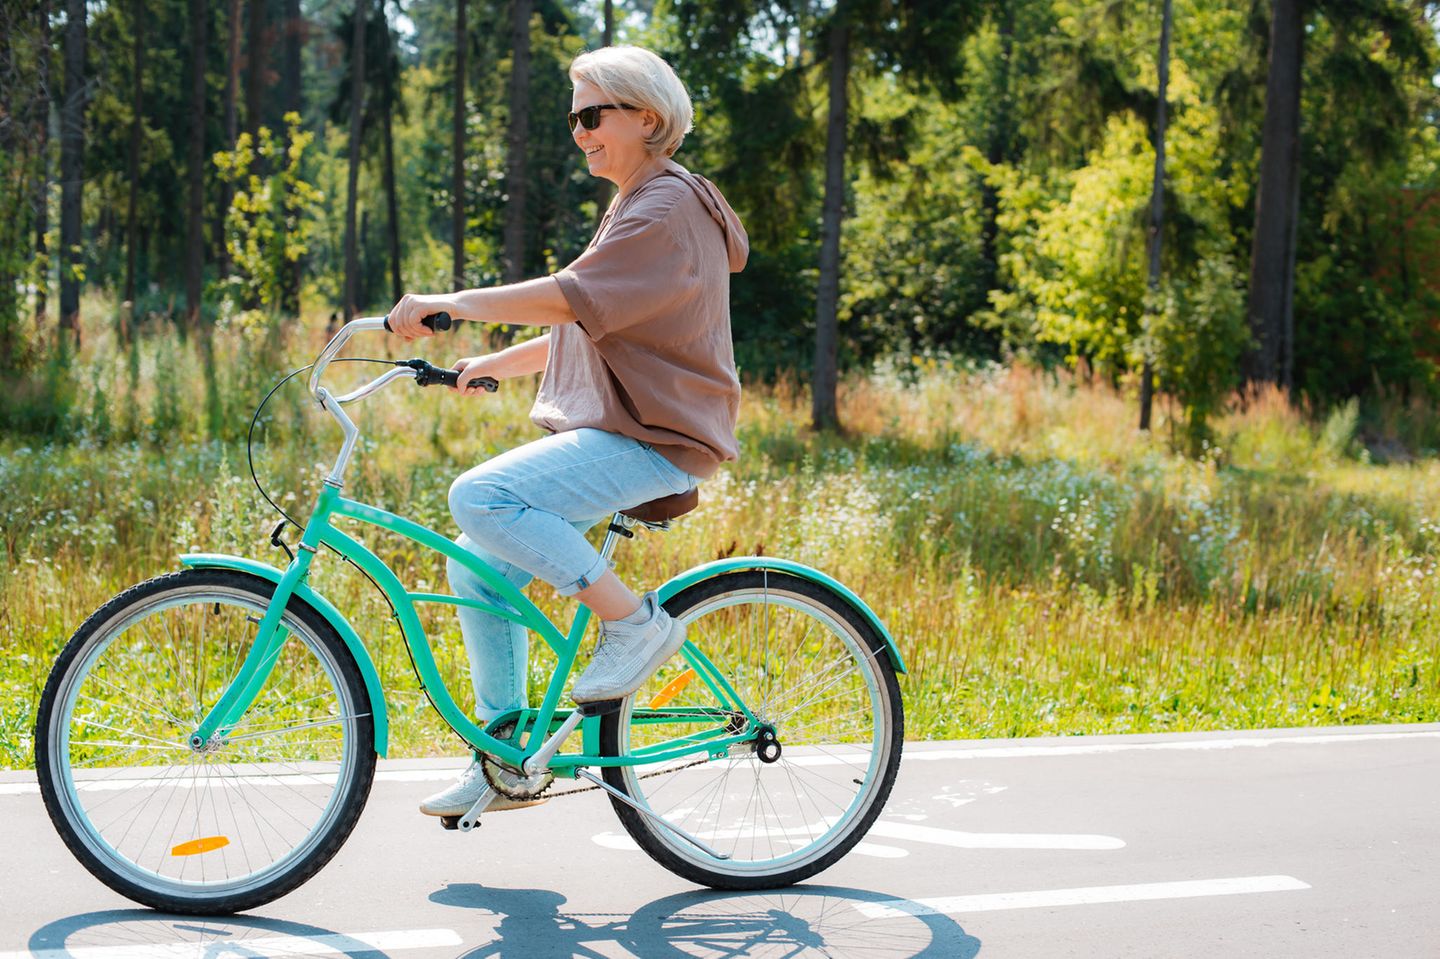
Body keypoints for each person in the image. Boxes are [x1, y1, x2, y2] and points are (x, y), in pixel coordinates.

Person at [385, 45, 749, 818]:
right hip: (630, 426)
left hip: (657, 436)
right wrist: (488, 366)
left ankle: (636, 625)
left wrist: (453, 300)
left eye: (592, 115)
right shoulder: (639, 203)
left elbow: (567, 297)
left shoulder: (665, 206)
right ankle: (505, 757)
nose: (578, 132)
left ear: (645, 118)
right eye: (573, 118)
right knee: (480, 572)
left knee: (480, 496)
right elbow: (587, 320)